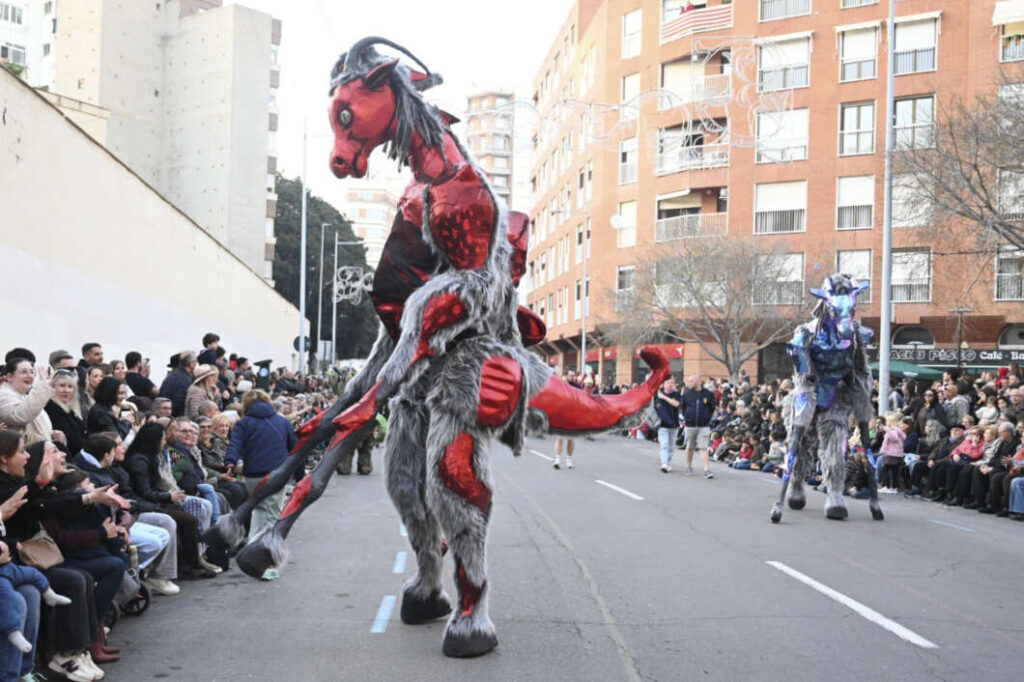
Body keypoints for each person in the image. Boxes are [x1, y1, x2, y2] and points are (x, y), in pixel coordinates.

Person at [0, 433, 127, 681]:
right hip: (24, 561)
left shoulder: (34, 484)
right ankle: (62, 654)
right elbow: (40, 508)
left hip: (27, 560)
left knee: (99, 571)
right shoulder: (14, 486)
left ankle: (77, 648)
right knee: (71, 580)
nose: (62, 455)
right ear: (4, 459)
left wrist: (93, 498)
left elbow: (48, 502)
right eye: (51, 453)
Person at [123, 424, 217, 580]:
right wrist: (168, 496)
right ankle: (178, 568)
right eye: (163, 438)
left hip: (152, 501)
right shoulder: (139, 462)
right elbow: (145, 492)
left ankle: (195, 559)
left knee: (190, 514)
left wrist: (169, 496)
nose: (164, 441)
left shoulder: (150, 458)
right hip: (142, 506)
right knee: (187, 519)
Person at [225, 389, 297, 579]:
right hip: (278, 473)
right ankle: (263, 560)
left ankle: (253, 550)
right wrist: (300, 474)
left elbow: (235, 444)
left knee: (259, 510)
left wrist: (230, 462)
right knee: (272, 514)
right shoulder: (282, 421)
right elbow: (295, 447)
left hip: (253, 474)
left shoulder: (244, 423)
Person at [46, 368, 88, 457]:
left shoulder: (72, 410)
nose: (66, 390)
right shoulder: (50, 407)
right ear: (53, 387)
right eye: (62, 385)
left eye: (70, 387)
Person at [680, 374, 716, 478]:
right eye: (689, 381)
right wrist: (687, 417)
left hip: (703, 425)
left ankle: (706, 469)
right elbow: (684, 407)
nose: (690, 383)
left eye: (692, 381)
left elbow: (712, 407)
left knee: (704, 447)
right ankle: (689, 467)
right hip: (690, 424)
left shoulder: (708, 394)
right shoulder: (687, 394)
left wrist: (706, 418)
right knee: (690, 446)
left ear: (698, 381)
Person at [653, 377, 682, 473]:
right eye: (668, 383)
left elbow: (677, 404)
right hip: (663, 425)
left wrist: (665, 398)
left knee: (671, 446)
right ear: (664, 384)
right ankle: (664, 463)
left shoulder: (676, 395)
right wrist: (662, 397)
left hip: (674, 425)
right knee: (664, 445)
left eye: (672, 383)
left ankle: (668, 463)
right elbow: (660, 411)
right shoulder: (658, 397)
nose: (670, 385)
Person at [159, 352, 197, 417]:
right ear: (192, 364)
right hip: (174, 418)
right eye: (196, 362)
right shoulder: (187, 380)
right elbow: (179, 403)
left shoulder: (170, 376)